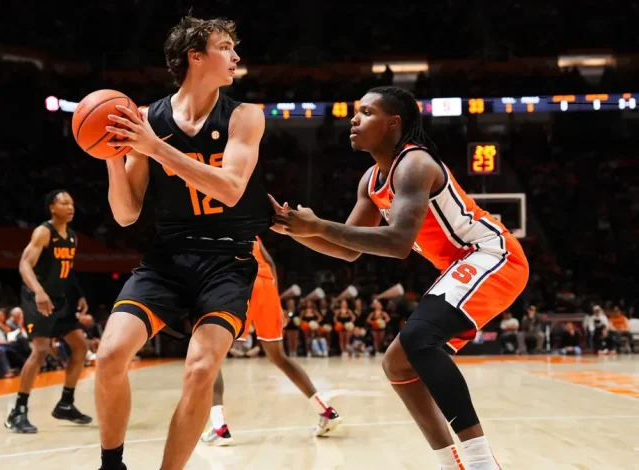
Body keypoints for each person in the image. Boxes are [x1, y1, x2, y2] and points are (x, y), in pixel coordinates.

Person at [271, 86, 529, 470]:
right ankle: (452, 465)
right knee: (398, 364)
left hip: (493, 255)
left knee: (418, 339)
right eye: (356, 112)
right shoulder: (371, 180)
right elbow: (348, 249)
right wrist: (295, 230)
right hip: (461, 264)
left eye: (367, 112)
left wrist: (318, 225)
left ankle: (481, 463)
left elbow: (397, 243)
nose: (354, 119)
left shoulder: (415, 163)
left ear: (393, 123)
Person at [96, 14, 270, 470]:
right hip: (166, 259)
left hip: (227, 259)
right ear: (195, 57)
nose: (235, 56)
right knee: (109, 355)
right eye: (224, 47)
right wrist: (112, 155)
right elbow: (126, 213)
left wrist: (154, 147)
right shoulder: (147, 119)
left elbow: (231, 189)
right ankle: (111, 465)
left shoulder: (245, 116)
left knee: (200, 370)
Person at [200, 236, 341, 446]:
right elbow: (270, 263)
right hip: (266, 287)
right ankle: (326, 411)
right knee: (279, 356)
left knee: (213, 357)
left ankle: (219, 427)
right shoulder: (250, 230)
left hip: (240, 286)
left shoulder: (209, 230)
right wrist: (275, 301)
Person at [4, 190, 91, 433]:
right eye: (64, 203)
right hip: (37, 298)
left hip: (60, 300)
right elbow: (24, 264)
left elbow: (67, 271)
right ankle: (18, 411)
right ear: (52, 207)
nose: (70, 207)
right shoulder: (44, 232)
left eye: (72, 203)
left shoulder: (72, 236)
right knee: (41, 350)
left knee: (80, 346)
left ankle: (66, 403)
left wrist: (79, 294)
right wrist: (39, 292)